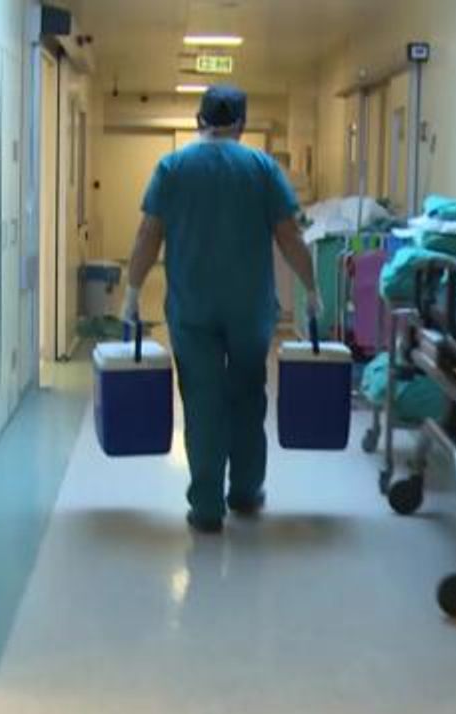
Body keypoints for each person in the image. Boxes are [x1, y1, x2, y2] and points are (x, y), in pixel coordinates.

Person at [123, 85, 321, 534]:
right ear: (242, 125)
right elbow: (289, 235)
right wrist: (311, 288)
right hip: (249, 308)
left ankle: (207, 506)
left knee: (202, 401)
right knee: (248, 396)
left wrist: (132, 292)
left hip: (192, 308)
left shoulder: (173, 167)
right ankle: (246, 492)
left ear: (199, 120)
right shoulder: (262, 168)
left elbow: (148, 234)